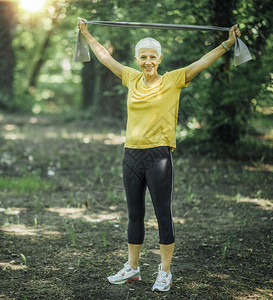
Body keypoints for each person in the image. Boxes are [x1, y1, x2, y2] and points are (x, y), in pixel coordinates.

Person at [77, 17, 241, 292]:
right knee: (134, 214)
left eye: (152, 56)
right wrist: (86, 33)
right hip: (131, 154)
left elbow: (201, 62)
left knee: (163, 214)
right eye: (143, 57)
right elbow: (105, 58)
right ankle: (132, 268)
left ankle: (164, 271)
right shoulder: (130, 77)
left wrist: (227, 44)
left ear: (160, 58)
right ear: (137, 59)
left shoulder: (173, 79)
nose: (148, 61)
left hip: (159, 156)